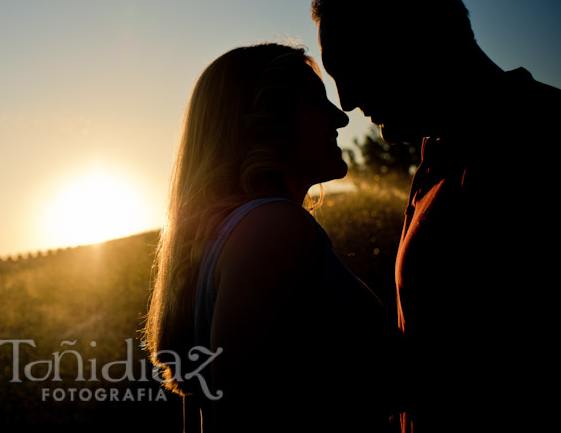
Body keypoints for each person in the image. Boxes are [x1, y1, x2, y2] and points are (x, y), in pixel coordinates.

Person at [311, 0, 561, 432]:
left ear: (413, 35)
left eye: (351, 66)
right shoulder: (436, 156)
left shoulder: (543, 140)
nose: (346, 102)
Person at [143, 43, 400, 432]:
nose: (340, 118)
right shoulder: (274, 227)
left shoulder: (232, 234)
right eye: (317, 101)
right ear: (266, 123)